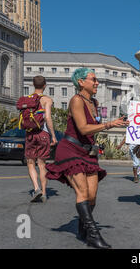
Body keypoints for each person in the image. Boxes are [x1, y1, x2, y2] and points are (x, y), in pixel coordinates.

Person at [45, 68, 128, 249]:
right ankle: (93, 235)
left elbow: (93, 129)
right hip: (70, 150)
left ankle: (82, 229)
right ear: (81, 82)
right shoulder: (76, 100)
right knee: (82, 192)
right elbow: (82, 128)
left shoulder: (94, 102)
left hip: (87, 152)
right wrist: (109, 124)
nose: (97, 82)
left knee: (92, 196)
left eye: (96, 80)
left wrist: (112, 125)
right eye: (93, 79)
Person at [23, 76, 58, 203]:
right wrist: (53, 135)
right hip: (43, 134)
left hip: (30, 134)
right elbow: (48, 118)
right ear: (45, 85)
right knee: (42, 164)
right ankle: (44, 193)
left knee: (30, 163)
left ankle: (36, 188)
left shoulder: (27, 99)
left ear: (33, 85)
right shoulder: (47, 100)